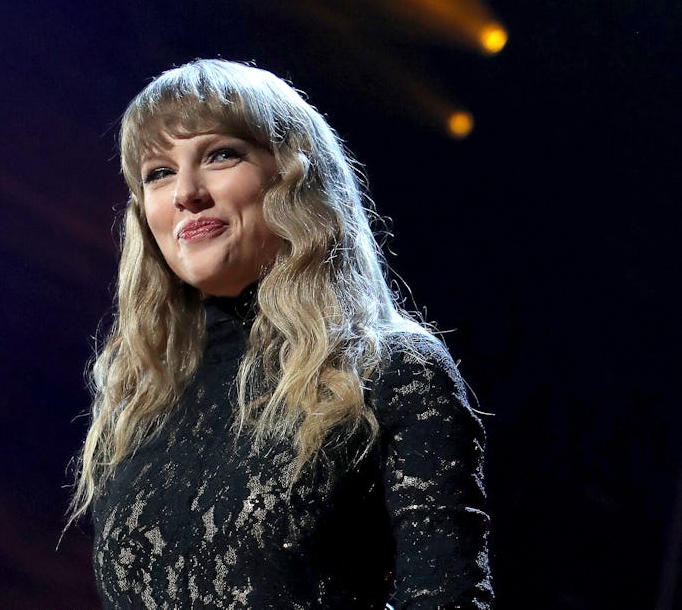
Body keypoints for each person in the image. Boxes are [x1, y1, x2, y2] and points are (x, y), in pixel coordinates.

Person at [69, 59, 493, 608]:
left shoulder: (389, 371)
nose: (186, 193)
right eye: (158, 173)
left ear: (293, 177)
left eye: (220, 155)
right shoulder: (141, 398)